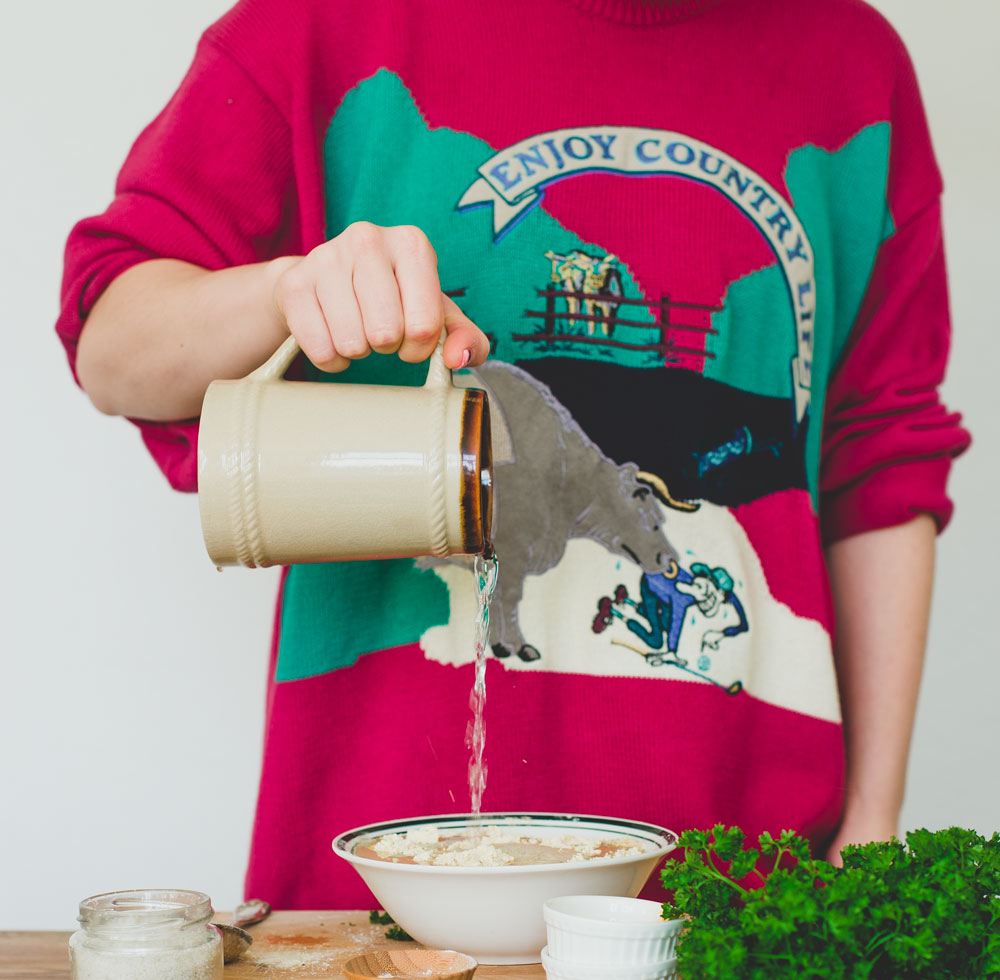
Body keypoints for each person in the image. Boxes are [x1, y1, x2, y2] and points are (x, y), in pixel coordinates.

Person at [58, 0, 971, 911]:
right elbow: (111, 344)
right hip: (385, 887)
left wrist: (872, 822)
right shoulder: (318, 27)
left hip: (749, 890)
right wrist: (285, 292)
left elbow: (881, 464)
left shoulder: (857, 69)